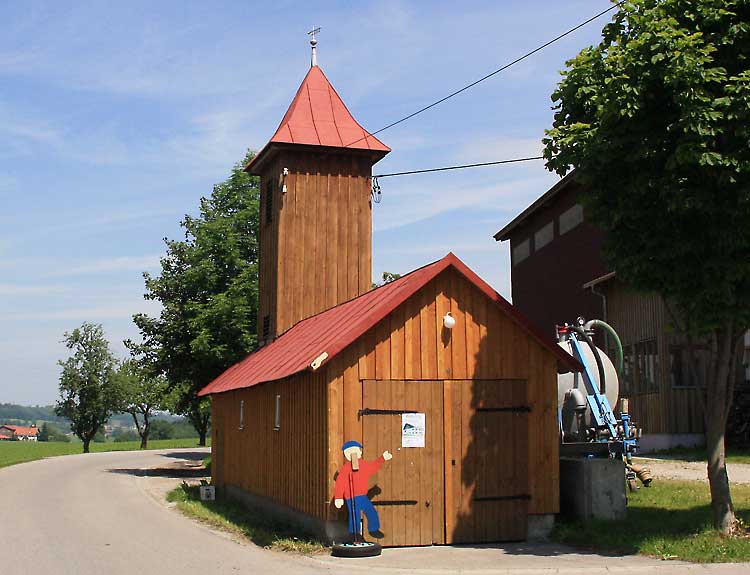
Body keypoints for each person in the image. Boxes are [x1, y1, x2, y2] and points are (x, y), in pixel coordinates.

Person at [333, 440, 392, 538]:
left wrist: (382, 458)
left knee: (371, 511)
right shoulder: (345, 469)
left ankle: (373, 529)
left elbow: (373, 466)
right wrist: (338, 497)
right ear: (347, 455)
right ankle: (354, 534)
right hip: (351, 497)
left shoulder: (363, 465)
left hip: (363, 497)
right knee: (354, 516)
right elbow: (340, 483)